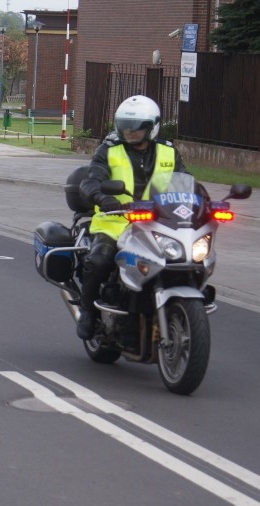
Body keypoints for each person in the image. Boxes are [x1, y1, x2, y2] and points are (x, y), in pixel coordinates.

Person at [75, 95, 188, 340]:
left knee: (185, 259)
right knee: (99, 261)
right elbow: (90, 180)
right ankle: (88, 312)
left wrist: (198, 203)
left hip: (157, 224)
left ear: (152, 127)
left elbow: (184, 182)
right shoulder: (109, 150)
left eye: (137, 127)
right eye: (126, 125)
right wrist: (103, 198)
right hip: (115, 222)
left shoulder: (169, 152)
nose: (130, 131)